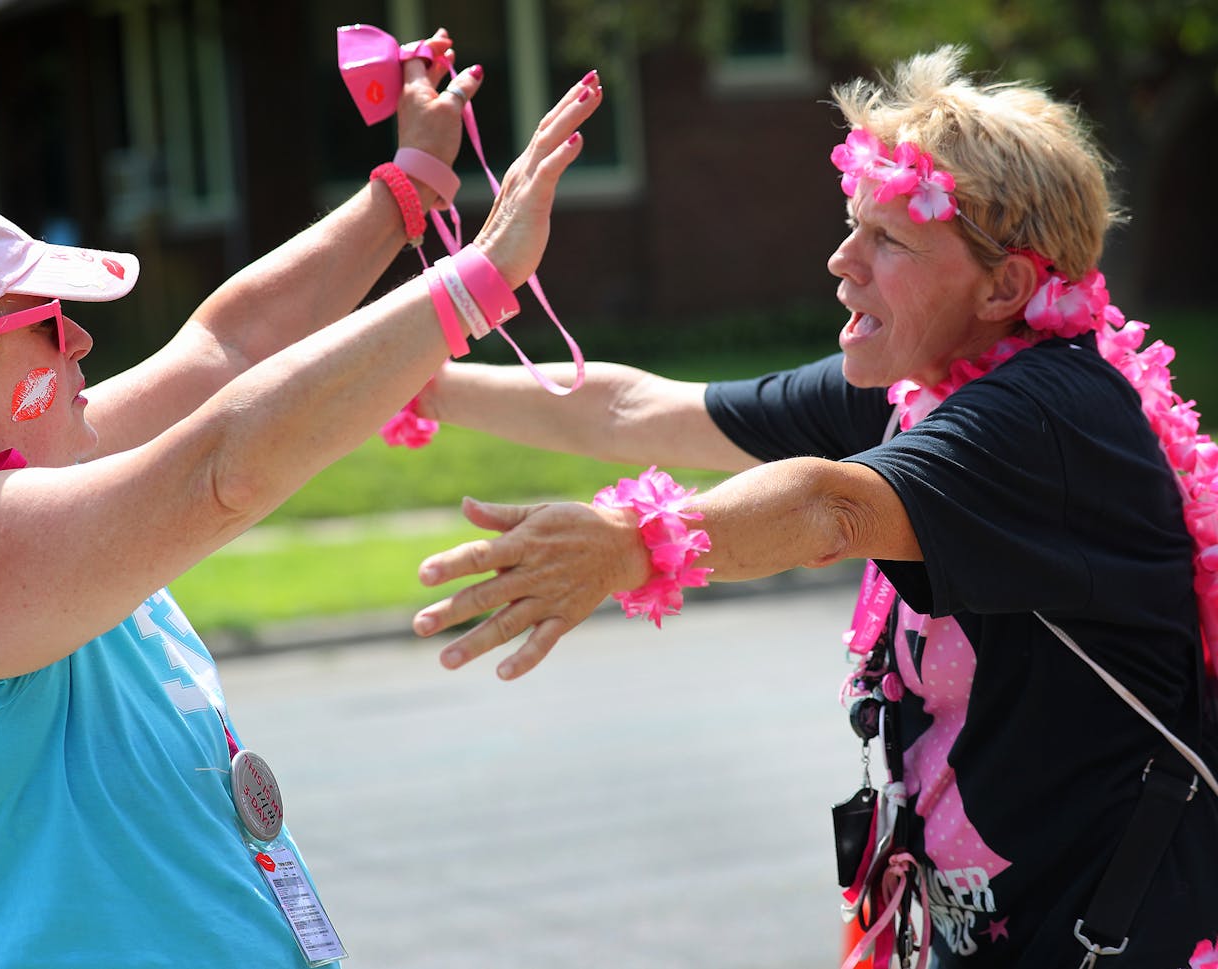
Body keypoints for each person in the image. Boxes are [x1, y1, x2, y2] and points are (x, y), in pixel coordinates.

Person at [0, 26, 605, 968]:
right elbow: (223, 471)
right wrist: (477, 281)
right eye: (52, 325)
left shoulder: (23, 481)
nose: (82, 347)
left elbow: (230, 346)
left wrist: (410, 185)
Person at [408, 47, 1218, 966]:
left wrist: (632, 541)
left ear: (1006, 288)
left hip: (1124, 941)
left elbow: (829, 506)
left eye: (890, 240)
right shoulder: (920, 383)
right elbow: (635, 406)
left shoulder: (1047, 422)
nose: (842, 261)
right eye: (851, 225)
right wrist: (411, 377)